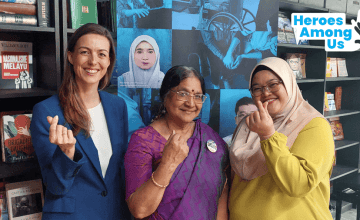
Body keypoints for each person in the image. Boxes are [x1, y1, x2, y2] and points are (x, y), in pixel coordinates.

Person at [30, 23, 142, 219]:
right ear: (71, 56)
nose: (93, 61)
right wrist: (66, 154)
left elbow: (119, 170)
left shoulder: (118, 106)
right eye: (85, 52)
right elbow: (54, 186)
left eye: (101, 54)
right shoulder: (46, 111)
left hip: (115, 213)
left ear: (109, 61)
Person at [229, 57, 335, 219]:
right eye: (257, 88)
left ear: (289, 83)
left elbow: (298, 184)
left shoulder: (314, 125)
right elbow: (236, 178)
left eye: (273, 84)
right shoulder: (248, 124)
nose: (265, 93)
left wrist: (268, 136)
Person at [124, 66, 229, 219]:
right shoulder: (143, 140)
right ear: (165, 96)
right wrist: (168, 163)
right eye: (183, 94)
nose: (191, 103)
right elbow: (139, 209)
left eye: (198, 96)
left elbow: (221, 195)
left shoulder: (210, 138)